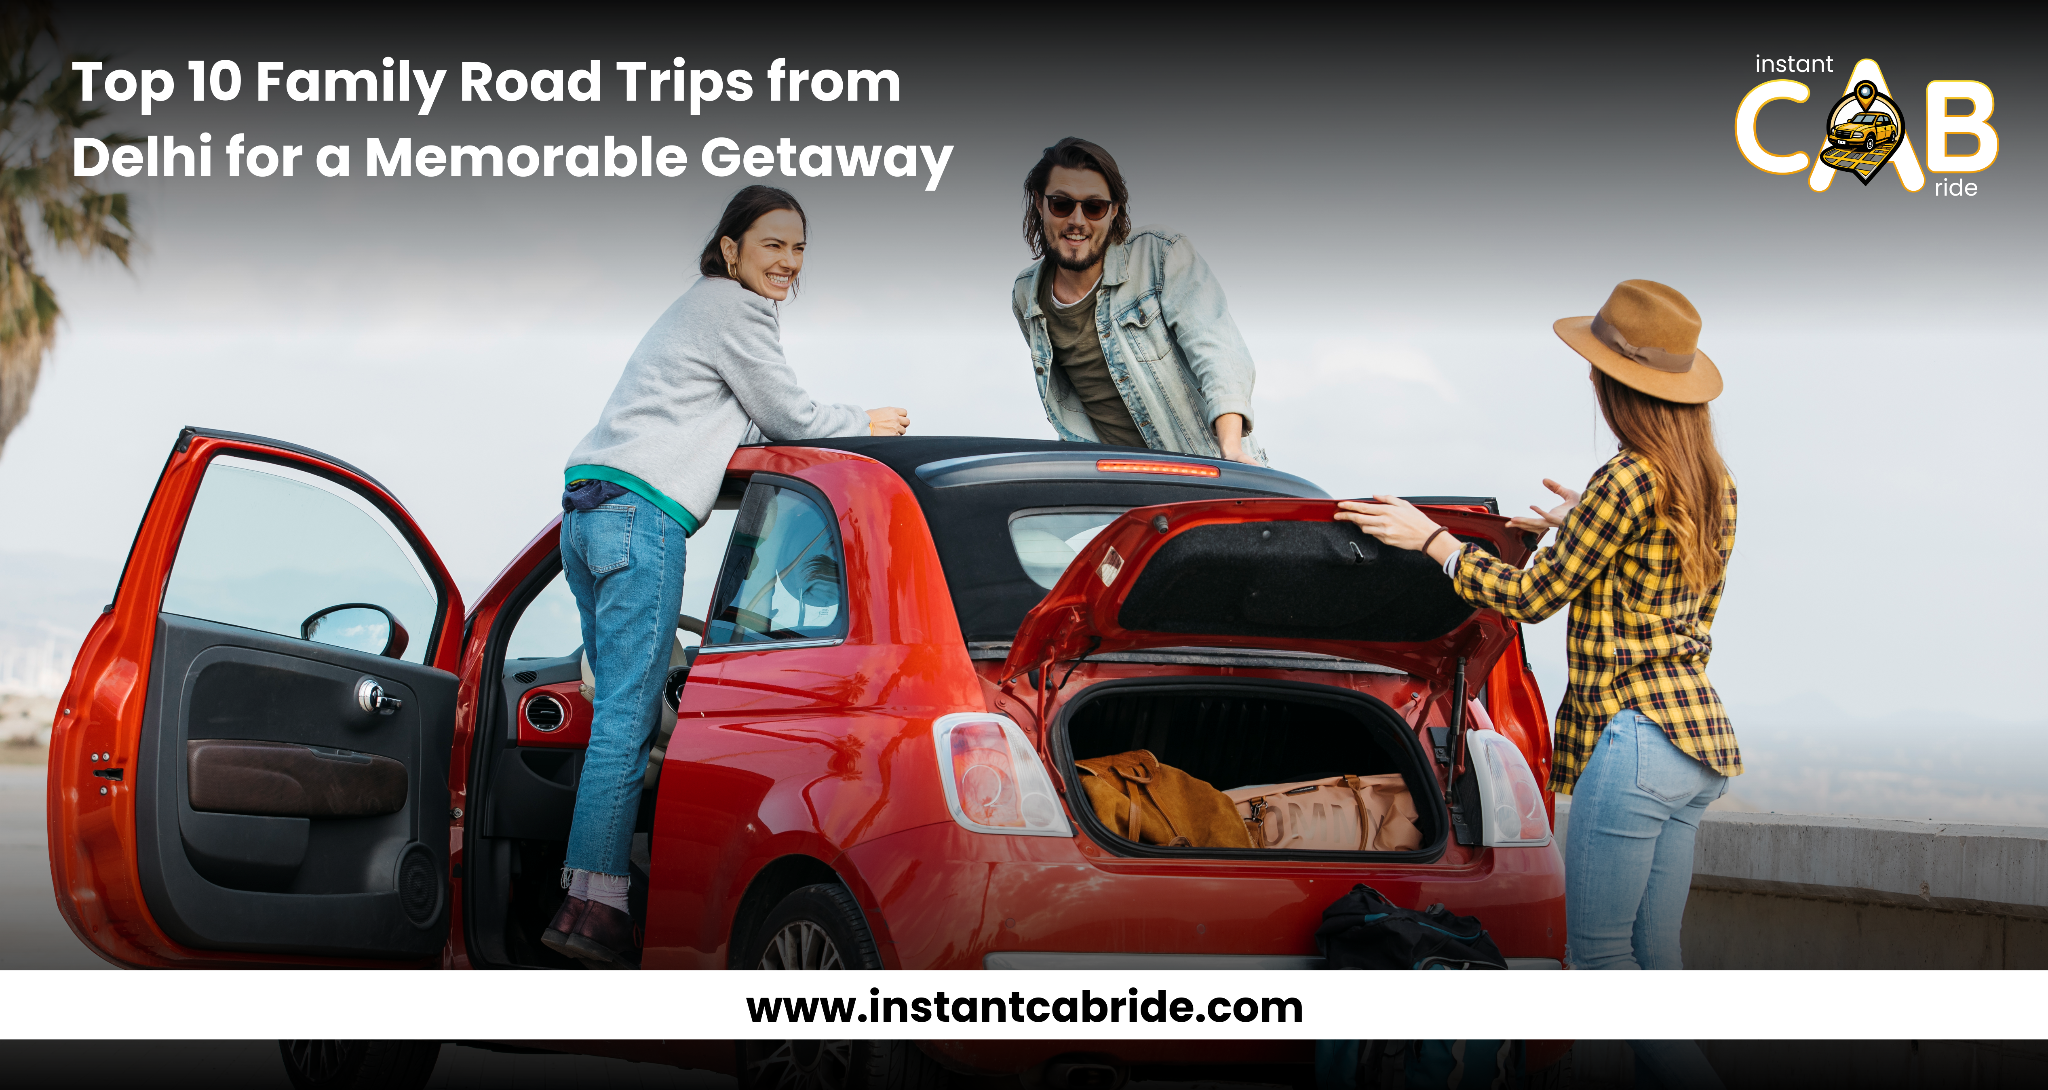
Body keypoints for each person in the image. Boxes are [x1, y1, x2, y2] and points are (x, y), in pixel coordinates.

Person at [1334, 280, 1736, 1089]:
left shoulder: (1627, 479)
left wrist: (1434, 542)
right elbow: (1665, 589)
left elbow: (1531, 598)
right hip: (1696, 742)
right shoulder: (1709, 482)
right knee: (1656, 966)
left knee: (1598, 960)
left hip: (1635, 739)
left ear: (1608, 384)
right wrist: (1574, 527)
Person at [546, 185, 909, 968]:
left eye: (799, 248)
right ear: (732, 249)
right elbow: (791, 417)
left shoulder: (699, 310)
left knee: (612, 710)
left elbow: (735, 418)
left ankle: (579, 900)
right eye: (772, 245)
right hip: (641, 517)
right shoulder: (731, 308)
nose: (787, 262)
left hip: (585, 514)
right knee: (626, 723)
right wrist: (868, 424)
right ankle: (597, 907)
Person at [1011, 137, 1265, 464]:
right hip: (1118, 488)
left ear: (1113, 210)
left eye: (1094, 207)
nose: (1077, 220)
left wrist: (1231, 451)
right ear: (1038, 202)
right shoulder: (1027, 296)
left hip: (1203, 474)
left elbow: (1218, 351)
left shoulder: (1160, 256)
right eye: (1061, 203)